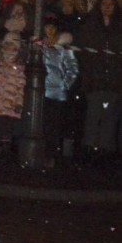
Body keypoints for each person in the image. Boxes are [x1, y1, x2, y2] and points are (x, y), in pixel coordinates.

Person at [75, 0, 122, 159]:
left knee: (110, 115)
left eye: (111, 4)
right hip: (95, 79)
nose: (107, 7)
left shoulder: (119, 27)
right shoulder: (91, 26)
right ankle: (90, 148)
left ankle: (105, 150)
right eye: (104, 4)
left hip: (115, 80)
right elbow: (84, 51)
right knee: (94, 114)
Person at [41, 15, 79, 166]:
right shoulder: (39, 44)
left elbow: (73, 68)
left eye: (52, 28)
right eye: (47, 27)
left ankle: (51, 154)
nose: (49, 30)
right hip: (40, 90)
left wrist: (64, 85)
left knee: (53, 124)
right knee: (41, 123)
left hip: (56, 92)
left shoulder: (63, 48)